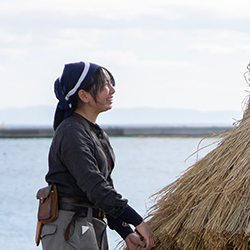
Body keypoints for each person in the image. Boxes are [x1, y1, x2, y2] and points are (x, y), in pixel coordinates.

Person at [40, 61, 154, 250]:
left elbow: (105, 188)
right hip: (70, 230)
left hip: (88, 227)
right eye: (104, 85)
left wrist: (125, 230)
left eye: (111, 83)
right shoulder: (71, 132)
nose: (112, 90)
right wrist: (138, 222)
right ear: (83, 95)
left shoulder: (94, 132)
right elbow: (95, 187)